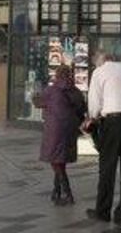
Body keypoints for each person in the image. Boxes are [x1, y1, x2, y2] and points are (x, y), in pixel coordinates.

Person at [83, 51, 121, 228]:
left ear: (99, 62)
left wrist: (92, 118)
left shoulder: (99, 72)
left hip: (114, 121)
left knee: (107, 167)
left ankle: (103, 212)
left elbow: (94, 104)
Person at [35, 64, 86, 206]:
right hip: (70, 129)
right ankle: (56, 191)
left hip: (54, 130)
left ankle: (67, 192)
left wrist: (35, 96)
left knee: (55, 160)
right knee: (60, 159)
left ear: (57, 75)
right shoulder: (75, 91)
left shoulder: (51, 90)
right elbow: (82, 107)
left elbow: (38, 102)